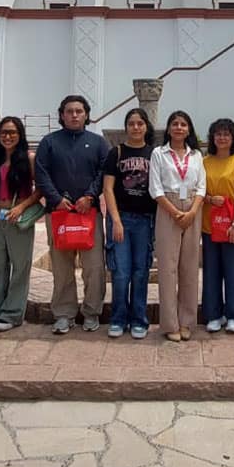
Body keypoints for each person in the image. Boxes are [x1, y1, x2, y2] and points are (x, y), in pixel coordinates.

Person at [34, 94, 111, 334]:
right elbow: (41, 173)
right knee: (61, 266)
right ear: (62, 115)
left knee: (94, 266)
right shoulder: (49, 142)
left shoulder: (98, 143)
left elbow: (103, 173)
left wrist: (89, 196)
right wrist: (57, 199)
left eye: (79, 111)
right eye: (69, 111)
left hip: (89, 213)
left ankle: (91, 312)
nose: (74, 115)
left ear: (86, 114)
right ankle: (64, 314)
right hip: (59, 214)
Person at [148, 110, 205, 342]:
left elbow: (202, 186)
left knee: (190, 268)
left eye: (183, 124)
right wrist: (174, 212)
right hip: (167, 207)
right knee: (168, 268)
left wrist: (192, 212)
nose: (179, 128)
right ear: (169, 129)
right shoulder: (159, 154)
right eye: (175, 124)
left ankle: (187, 322)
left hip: (193, 207)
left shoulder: (196, 155)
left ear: (189, 129)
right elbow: (155, 188)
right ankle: (170, 323)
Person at [0, 116, 42, 332]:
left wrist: (21, 207)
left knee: (20, 266)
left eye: (13, 132)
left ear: (20, 135)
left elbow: (40, 189)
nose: (8, 136)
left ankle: (12, 313)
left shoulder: (29, 158)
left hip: (18, 217)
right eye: (4, 132)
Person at [102, 108, 156, 339]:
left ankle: (139, 320)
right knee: (121, 272)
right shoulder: (117, 152)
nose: (135, 127)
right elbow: (108, 188)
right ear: (126, 127)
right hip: (121, 218)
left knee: (141, 271)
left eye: (140, 123)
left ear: (146, 127)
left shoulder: (155, 154)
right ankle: (118, 319)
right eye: (131, 123)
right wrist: (115, 220)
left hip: (145, 220)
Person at [201, 118, 234, 335]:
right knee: (211, 272)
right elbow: (197, 190)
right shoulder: (205, 161)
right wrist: (209, 199)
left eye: (226, 134)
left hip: (233, 224)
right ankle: (213, 314)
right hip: (209, 226)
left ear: (233, 138)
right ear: (212, 138)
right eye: (218, 134)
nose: (222, 138)